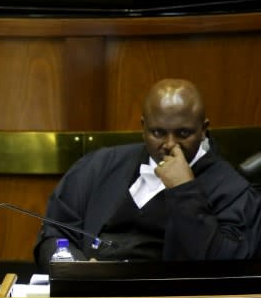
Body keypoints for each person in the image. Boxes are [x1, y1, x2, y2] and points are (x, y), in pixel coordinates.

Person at [34, 78, 261, 271]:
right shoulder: (99, 165)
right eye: (158, 133)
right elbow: (55, 232)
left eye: (184, 133)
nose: (170, 144)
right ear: (143, 127)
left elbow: (229, 268)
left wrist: (185, 191)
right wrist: (75, 270)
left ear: (204, 130)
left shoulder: (234, 191)